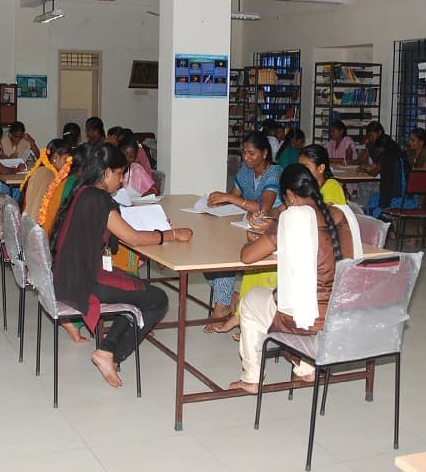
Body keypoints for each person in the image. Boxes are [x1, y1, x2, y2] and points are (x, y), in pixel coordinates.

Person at [51, 143, 193, 388]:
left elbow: (119, 227)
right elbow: (134, 238)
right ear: (106, 173)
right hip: (85, 281)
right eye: (119, 174)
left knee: (136, 285)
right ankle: (110, 353)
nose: (122, 181)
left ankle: (108, 350)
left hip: (67, 275)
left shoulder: (83, 190)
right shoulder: (98, 198)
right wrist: (172, 234)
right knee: (157, 299)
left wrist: (156, 226)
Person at [228, 164, 356, 393]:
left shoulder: (291, 218)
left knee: (249, 300)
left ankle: (251, 377)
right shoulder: (339, 213)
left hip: (305, 320)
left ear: (288, 196)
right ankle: (306, 367)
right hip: (341, 312)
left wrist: (252, 239)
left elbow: (247, 257)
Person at [205, 131, 282, 326]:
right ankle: (229, 297)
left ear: (264, 154)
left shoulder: (274, 172)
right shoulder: (245, 171)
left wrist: (229, 198)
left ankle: (222, 303)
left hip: (269, 230)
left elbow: (264, 208)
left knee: (224, 256)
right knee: (209, 252)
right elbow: (234, 197)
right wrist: (218, 202)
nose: (246, 158)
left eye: (251, 153)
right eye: (244, 153)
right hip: (246, 225)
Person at [19, 139, 86, 343]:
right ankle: (72, 315)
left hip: (30, 238)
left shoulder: (40, 171)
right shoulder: (55, 178)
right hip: (42, 243)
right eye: (66, 160)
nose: (68, 165)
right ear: (55, 158)